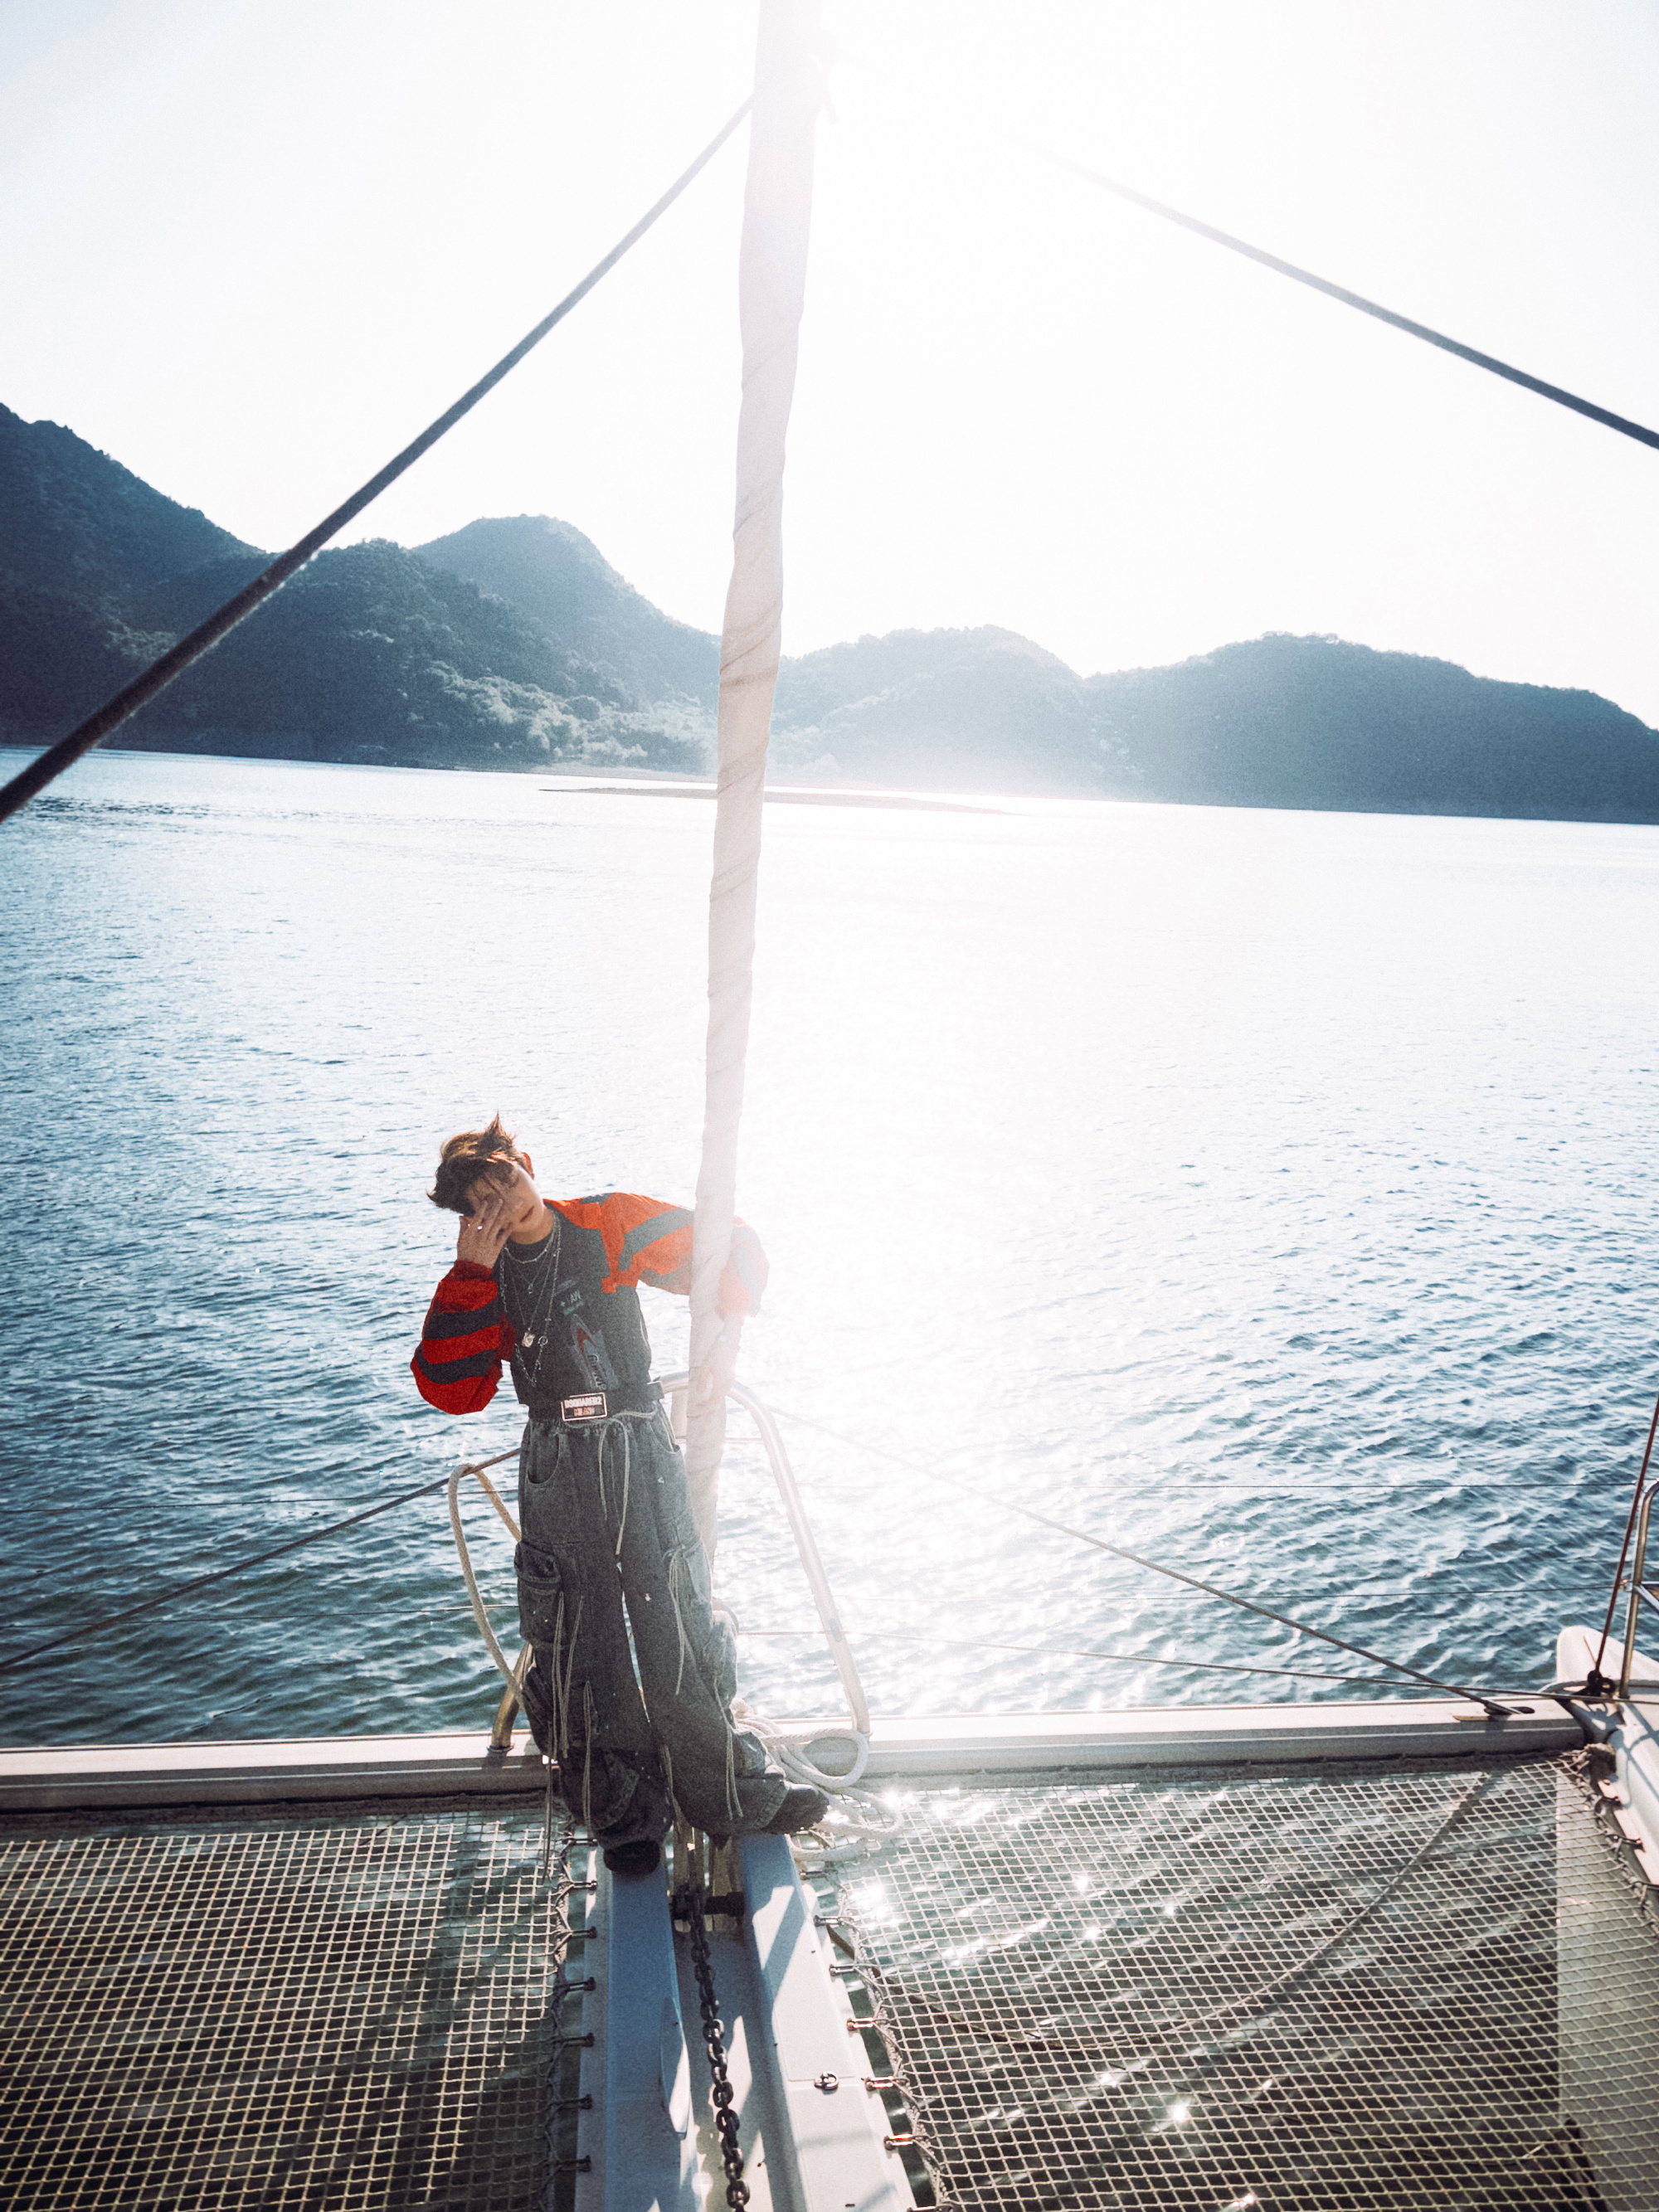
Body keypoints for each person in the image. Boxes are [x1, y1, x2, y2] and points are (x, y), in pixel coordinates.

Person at [411, 1116, 825, 1874]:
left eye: (506, 1177)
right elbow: (453, 1391)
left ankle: (728, 1791)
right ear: (469, 1219)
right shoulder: (483, 1276)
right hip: (555, 1459)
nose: (505, 1201)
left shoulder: (606, 1223)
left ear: (525, 1161)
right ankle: (622, 1810)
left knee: (675, 1609)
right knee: (578, 1625)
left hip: (638, 1442)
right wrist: (469, 1275)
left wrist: (727, 1338)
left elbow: (732, 1244)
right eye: (483, 1201)